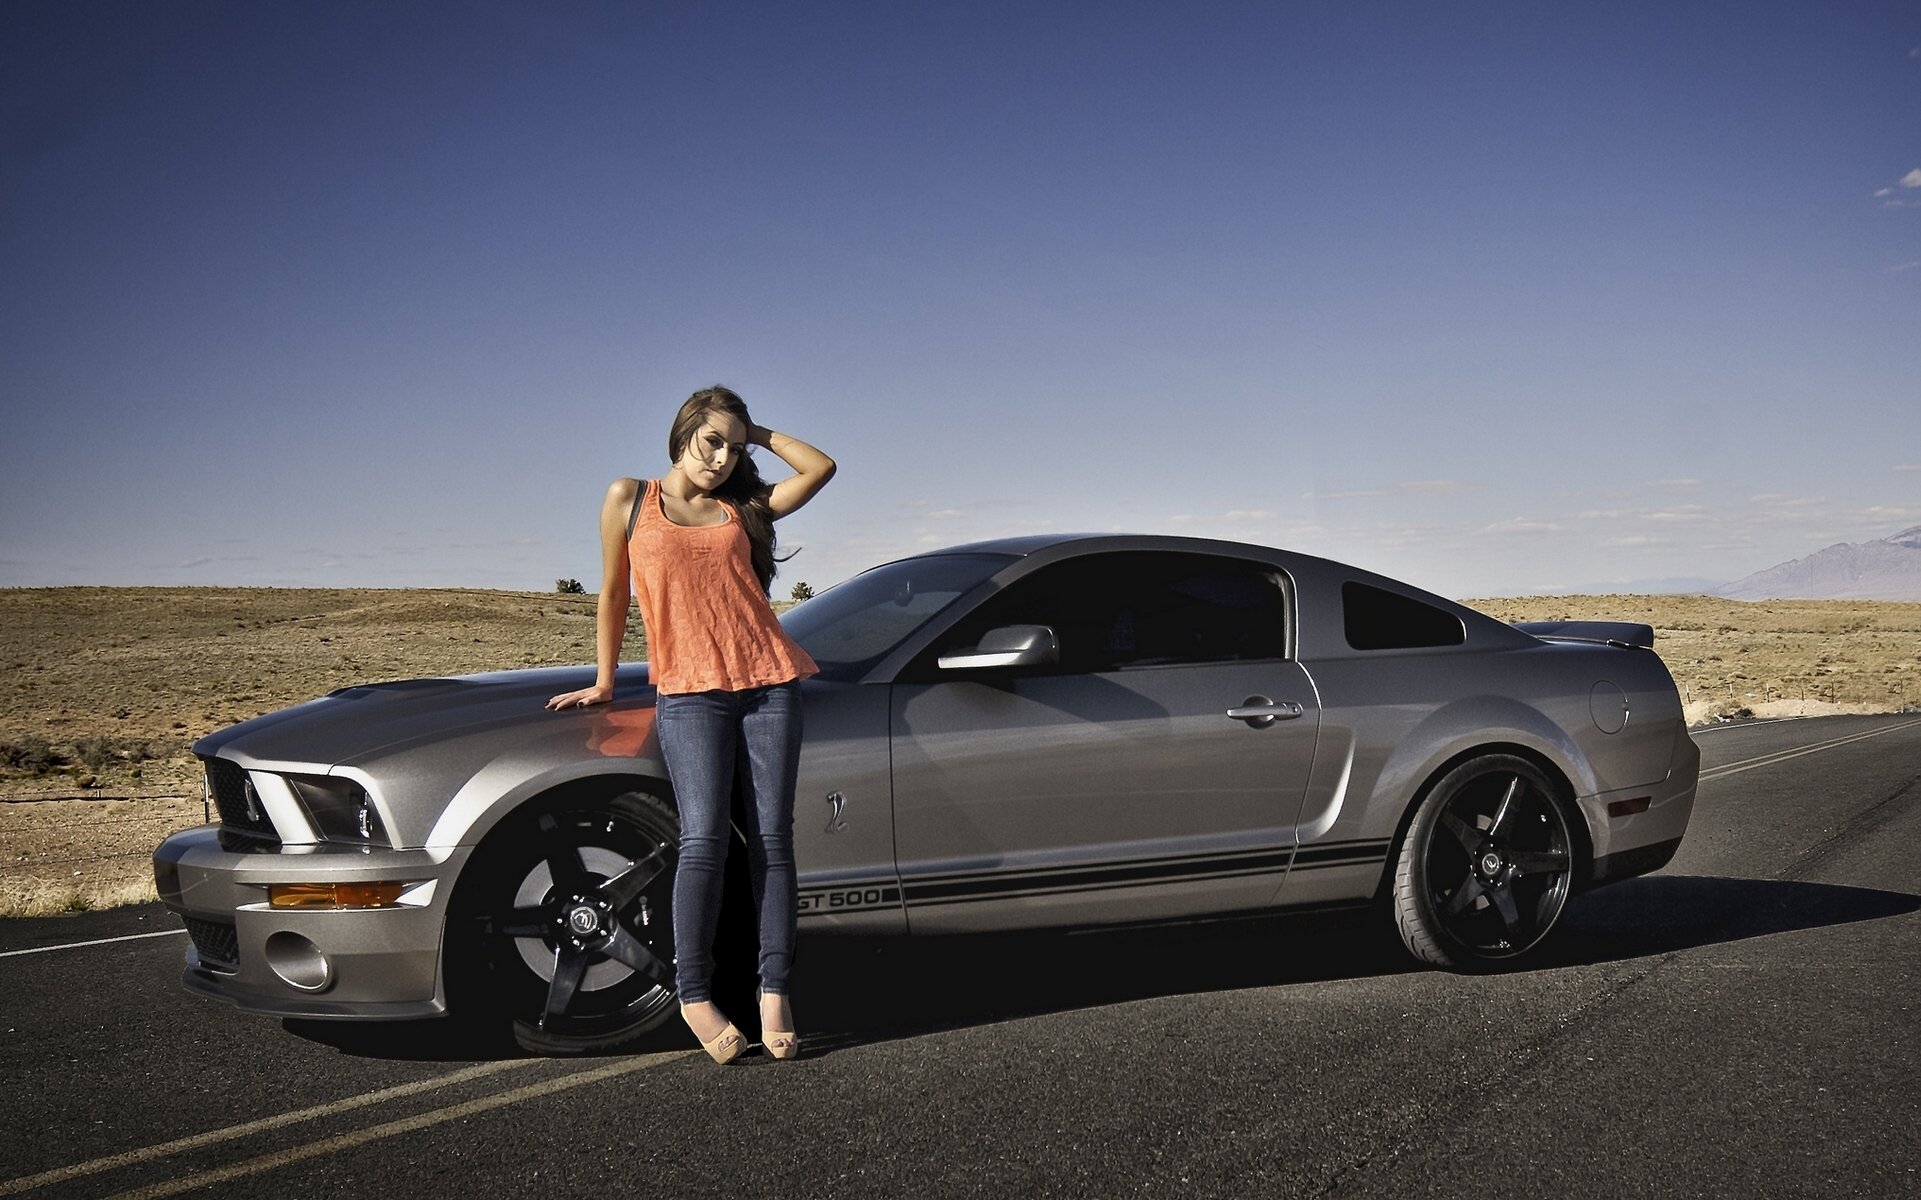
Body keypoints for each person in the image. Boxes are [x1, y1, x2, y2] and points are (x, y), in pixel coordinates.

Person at [547, 386, 835, 1063]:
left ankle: (772, 991)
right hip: (688, 691)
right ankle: (695, 993)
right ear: (681, 435)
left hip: (769, 683)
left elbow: (820, 469)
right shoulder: (631, 497)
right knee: (703, 840)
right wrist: (604, 679)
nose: (722, 457)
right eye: (713, 441)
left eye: (733, 448)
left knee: (771, 842)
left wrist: (755, 431)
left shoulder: (742, 507)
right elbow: (614, 592)